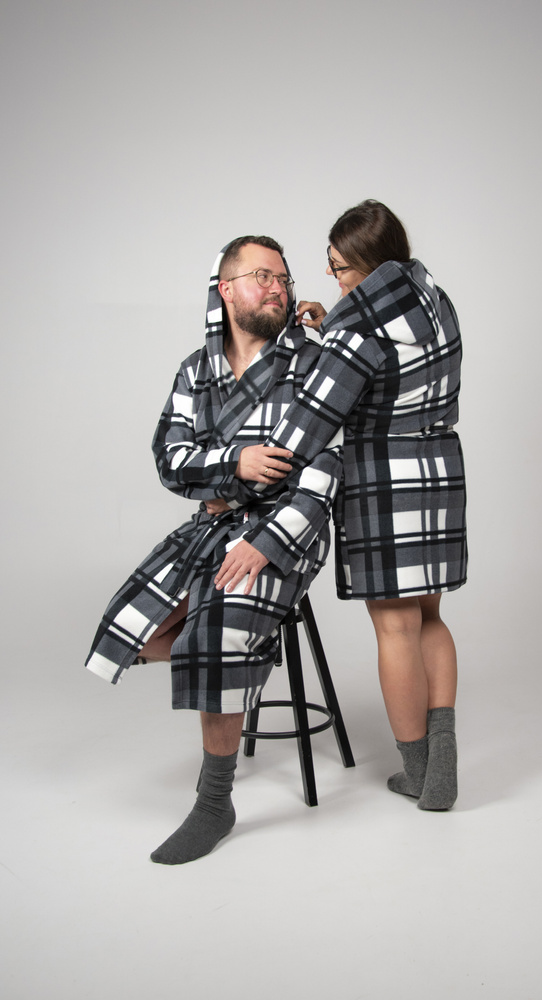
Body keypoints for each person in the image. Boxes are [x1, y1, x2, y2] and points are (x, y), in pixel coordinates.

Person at [86, 236, 342, 865]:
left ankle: (214, 803)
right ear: (225, 289)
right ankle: (246, 655)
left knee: (218, 632)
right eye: (262, 277)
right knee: (130, 629)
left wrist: (269, 540)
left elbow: (328, 465)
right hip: (212, 523)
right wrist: (236, 462)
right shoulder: (193, 371)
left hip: (287, 526)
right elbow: (171, 461)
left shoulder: (314, 361)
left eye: (283, 278)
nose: (278, 287)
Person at [224, 201, 467, 811]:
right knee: (429, 618)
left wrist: (241, 472)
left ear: (365, 262)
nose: (333, 277)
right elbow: (398, 363)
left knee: (394, 626)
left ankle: (419, 771)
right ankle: (444, 763)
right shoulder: (432, 296)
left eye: (338, 267)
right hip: (438, 471)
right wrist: (333, 324)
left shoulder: (355, 330)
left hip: (383, 480)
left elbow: (310, 424)